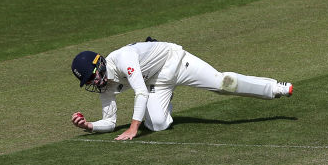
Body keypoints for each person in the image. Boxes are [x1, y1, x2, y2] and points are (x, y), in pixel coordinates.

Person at [69, 39, 293, 141]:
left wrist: (133, 129)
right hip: (155, 82)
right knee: (157, 125)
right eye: (87, 82)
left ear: (100, 65)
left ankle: (274, 88)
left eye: (91, 78)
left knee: (221, 84)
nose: (92, 84)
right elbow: (109, 122)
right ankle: (167, 99)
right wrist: (90, 126)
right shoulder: (105, 87)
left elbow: (140, 93)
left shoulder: (122, 58)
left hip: (176, 62)